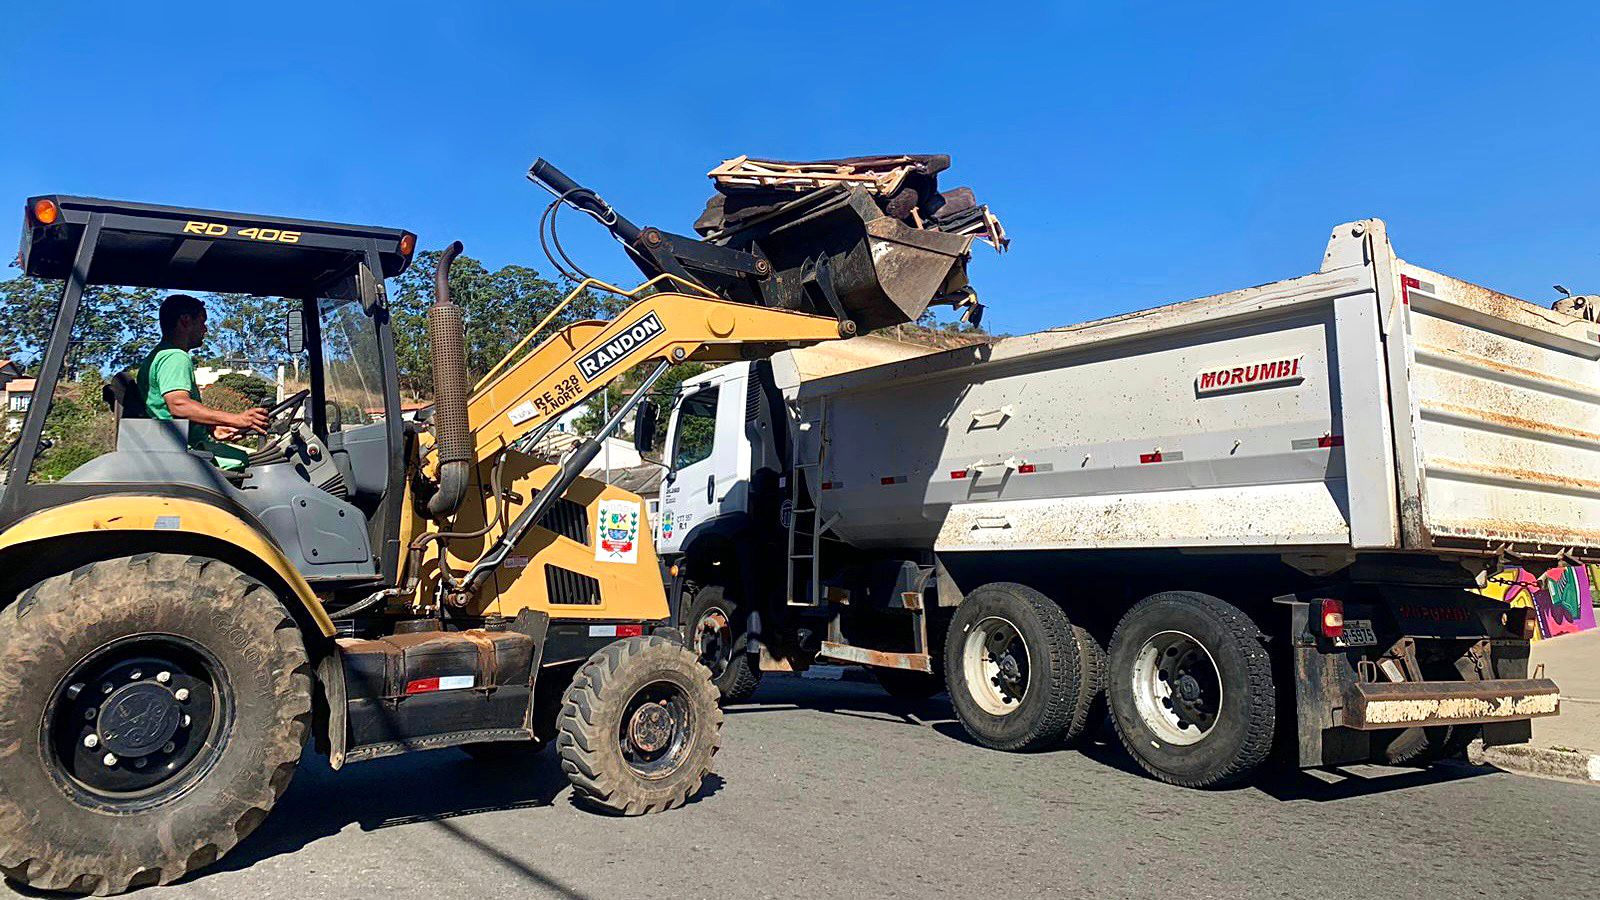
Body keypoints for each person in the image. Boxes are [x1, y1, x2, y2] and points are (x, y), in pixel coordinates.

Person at [136, 294, 269, 473]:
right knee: (267, 465)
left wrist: (212, 427)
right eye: (202, 321)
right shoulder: (175, 356)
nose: (205, 329)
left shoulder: (159, 355)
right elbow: (179, 405)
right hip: (186, 455)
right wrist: (237, 419)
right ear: (185, 320)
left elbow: (169, 410)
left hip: (179, 448)